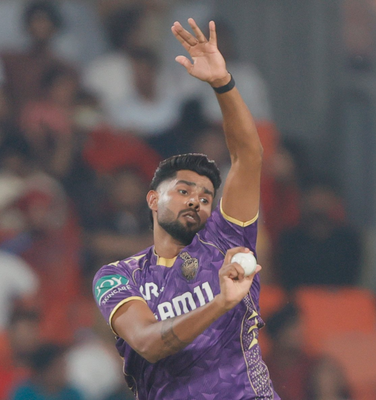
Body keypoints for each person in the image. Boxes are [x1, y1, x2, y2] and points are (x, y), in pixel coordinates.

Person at [93, 19, 279, 399]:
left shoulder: (227, 237)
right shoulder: (118, 276)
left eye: (206, 197)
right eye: (183, 190)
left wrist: (222, 83)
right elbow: (148, 342)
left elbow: (248, 156)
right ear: (152, 199)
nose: (196, 199)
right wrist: (221, 303)